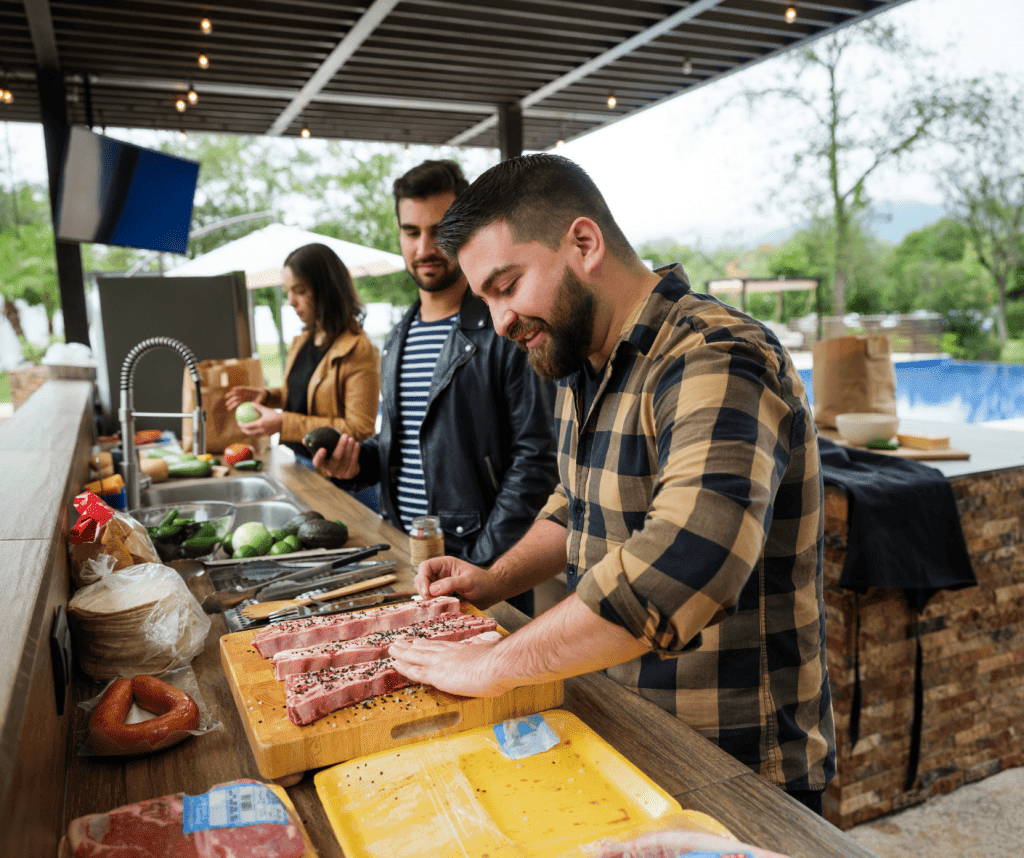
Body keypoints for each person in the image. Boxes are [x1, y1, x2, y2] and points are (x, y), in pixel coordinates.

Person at [387, 154, 836, 813]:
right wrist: (492, 580)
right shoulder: (578, 360)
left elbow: (684, 564)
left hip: (737, 769)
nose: (502, 320)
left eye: (507, 285)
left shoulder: (716, 354)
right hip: (625, 738)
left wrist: (494, 664)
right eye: (487, 299)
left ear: (584, 243)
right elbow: (577, 506)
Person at [313, 160, 557, 615]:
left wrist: (481, 564)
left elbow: (538, 460)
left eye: (439, 229)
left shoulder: (504, 328)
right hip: (406, 555)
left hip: (481, 564)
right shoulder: (398, 335)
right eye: (411, 231)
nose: (424, 247)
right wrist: (359, 464)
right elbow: (409, 445)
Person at [225, 243, 380, 454]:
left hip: (338, 479)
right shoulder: (304, 340)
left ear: (327, 289)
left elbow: (359, 430)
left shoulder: (360, 349)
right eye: (288, 291)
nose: (290, 301)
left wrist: (283, 423)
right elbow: (304, 395)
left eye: (300, 291)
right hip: (300, 462)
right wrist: (268, 396)